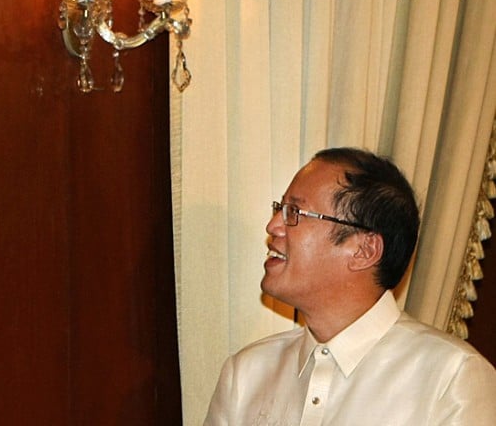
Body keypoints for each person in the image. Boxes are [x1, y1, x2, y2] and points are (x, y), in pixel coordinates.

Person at [204, 147, 496, 425]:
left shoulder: (451, 377)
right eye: (280, 208)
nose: (273, 226)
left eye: (295, 213)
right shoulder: (245, 374)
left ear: (364, 250)